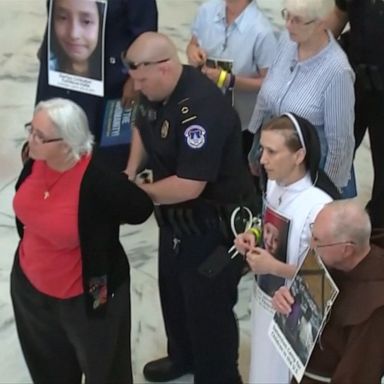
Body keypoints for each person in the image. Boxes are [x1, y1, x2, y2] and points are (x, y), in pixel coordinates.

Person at [124, 32, 257, 384]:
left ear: (165, 69)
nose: (137, 87)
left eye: (141, 80)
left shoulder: (202, 109)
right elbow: (142, 121)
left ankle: (218, 376)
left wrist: (140, 194)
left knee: (207, 305)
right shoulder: (155, 86)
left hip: (217, 228)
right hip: (177, 218)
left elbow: (190, 184)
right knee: (172, 289)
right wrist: (129, 171)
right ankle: (182, 357)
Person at [11, 98, 153, 383]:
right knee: (47, 366)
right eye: (31, 130)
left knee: (104, 366)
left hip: (90, 293)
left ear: (67, 143)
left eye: (40, 135)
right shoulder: (36, 160)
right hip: (30, 287)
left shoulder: (99, 178)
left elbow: (139, 208)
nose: (31, 140)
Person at [234, 113, 340, 383]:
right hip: (263, 298)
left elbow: (327, 279)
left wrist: (275, 267)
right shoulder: (273, 183)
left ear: (299, 155)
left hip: (291, 310)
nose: (262, 159)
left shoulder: (318, 206)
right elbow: (269, 220)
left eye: (272, 151)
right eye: (262, 149)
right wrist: (254, 234)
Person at [248, 0, 355, 197]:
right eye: (286, 16)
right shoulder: (286, 41)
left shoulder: (337, 72)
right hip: (276, 159)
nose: (288, 25)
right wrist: (253, 143)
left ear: (321, 22)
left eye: (297, 20)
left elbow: (341, 144)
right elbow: (266, 95)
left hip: (310, 171)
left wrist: (324, 193)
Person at [35, 0, 158, 171]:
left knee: (99, 152)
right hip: (61, 72)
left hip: (110, 78)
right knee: (54, 128)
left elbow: (146, 32)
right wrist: (47, 43)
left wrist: (135, 77)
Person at [273, 199, 384, 383]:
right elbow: (298, 317)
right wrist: (285, 302)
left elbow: (357, 375)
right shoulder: (328, 260)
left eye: (317, 240)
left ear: (347, 250)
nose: (311, 245)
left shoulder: (375, 306)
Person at [186, 0, 277, 154]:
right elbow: (192, 44)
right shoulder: (206, 11)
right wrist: (192, 52)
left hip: (240, 125)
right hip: (202, 112)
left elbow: (269, 83)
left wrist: (229, 80)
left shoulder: (262, 31)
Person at [326, 1, 384, 227]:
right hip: (354, 80)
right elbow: (340, 15)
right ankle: (324, 218)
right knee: (334, 150)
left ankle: (377, 232)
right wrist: (314, 51)